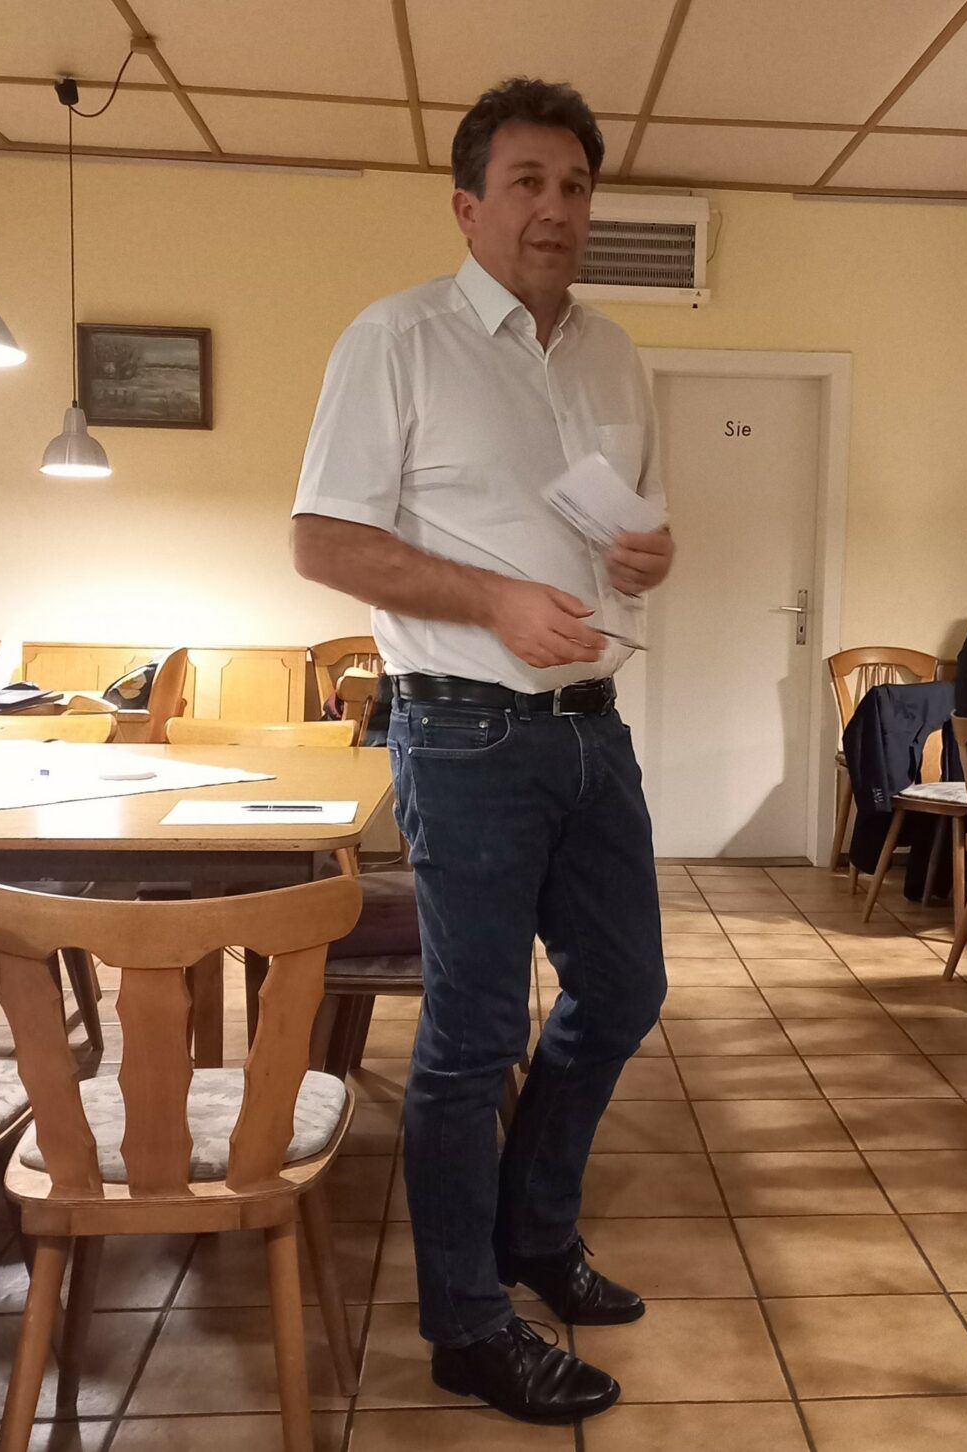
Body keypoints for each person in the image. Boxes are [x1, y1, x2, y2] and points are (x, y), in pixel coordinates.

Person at [291, 77, 673, 1425]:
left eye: (575, 186)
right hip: (459, 728)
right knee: (470, 1036)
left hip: (592, 729)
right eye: (527, 183)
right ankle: (463, 1322)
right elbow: (323, 542)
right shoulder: (395, 339)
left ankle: (532, 1231)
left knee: (623, 990)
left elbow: (638, 532)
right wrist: (494, 600)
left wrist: (652, 553)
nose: (555, 209)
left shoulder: (617, 354)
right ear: (468, 206)